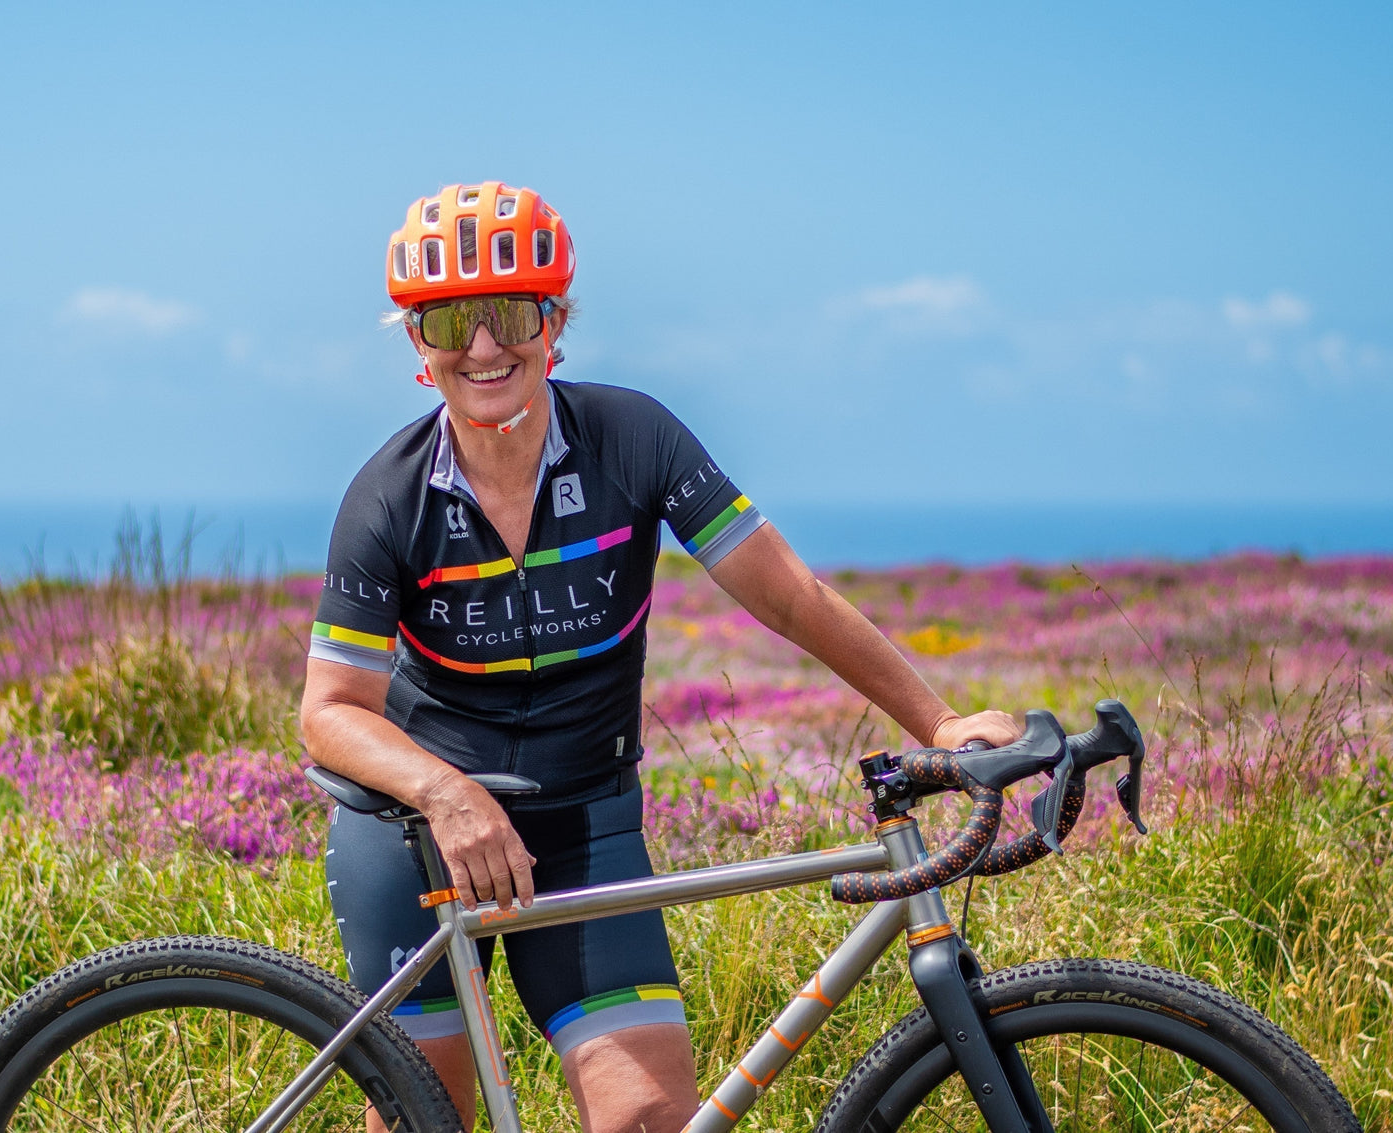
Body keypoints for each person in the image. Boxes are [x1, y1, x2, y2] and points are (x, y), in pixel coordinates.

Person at [300, 182, 1020, 1133]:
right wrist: (449, 794)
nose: (483, 347)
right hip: (417, 838)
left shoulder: (633, 439)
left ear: (554, 322)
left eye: (511, 312)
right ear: (416, 349)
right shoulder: (387, 498)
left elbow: (788, 595)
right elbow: (330, 711)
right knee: (426, 1120)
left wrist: (936, 723)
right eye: (450, 322)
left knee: (646, 1117)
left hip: (585, 822)